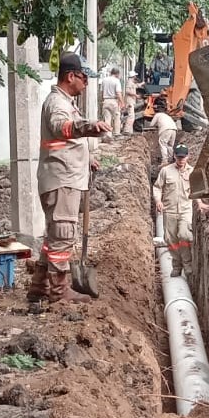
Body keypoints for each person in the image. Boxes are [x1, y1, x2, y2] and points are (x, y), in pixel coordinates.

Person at [28, 53, 111, 304]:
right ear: (71, 76)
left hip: (64, 176)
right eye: (84, 78)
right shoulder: (57, 103)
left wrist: (86, 160)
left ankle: (39, 287)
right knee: (63, 234)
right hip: (61, 179)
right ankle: (59, 292)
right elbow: (61, 127)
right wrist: (88, 126)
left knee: (53, 237)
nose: (86, 83)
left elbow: (64, 142)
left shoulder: (66, 102)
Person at [153, 143, 209, 278]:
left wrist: (200, 203)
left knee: (184, 235)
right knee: (170, 240)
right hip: (170, 210)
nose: (181, 160)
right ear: (174, 156)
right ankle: (177, 266)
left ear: (188, 157)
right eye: (178, 157)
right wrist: (158, 201)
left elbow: (196, 189)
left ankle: (188, 265)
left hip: (185, 210)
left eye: (183, 157)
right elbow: (157, 187)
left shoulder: (192, 172)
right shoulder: (166, 171)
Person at [146, 99, 178, 163]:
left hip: (165, 129)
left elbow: (151, 124)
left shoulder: (157, 115)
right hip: (174, 129)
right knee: (170, 145)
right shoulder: (167, 116)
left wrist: (157, 125)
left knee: (163, 143)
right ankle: (170, 159)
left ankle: (165, 160)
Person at [100, 67, 124, 138]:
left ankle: (108, 135)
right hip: (113, 101)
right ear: (117, 74)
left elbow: (101, 92)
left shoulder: (104, 80)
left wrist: (102, 100)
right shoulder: (116, 81)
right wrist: (122, 102)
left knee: (107, 119)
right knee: (117, 117)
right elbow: (118, 93)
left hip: (105, 101)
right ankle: (117, 133)